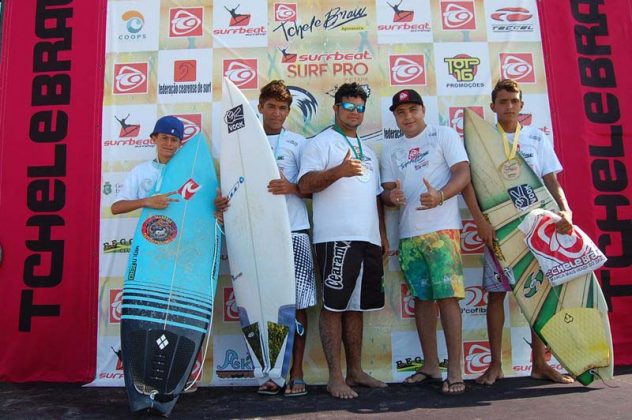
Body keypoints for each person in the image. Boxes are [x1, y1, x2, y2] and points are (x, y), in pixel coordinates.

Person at [461, 79, 574, 385]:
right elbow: (468, 182)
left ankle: (540, 363)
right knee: (496, 295)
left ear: (522, 105)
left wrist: (565, 210)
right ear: (493, 107)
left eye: (514, 101)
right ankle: (495, 365)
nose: (509, 106)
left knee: (541, 296)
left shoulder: (536, 138)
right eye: (503, 101)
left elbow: (551, 180)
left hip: (537, 227)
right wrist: (481, 222)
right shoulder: (481, 140)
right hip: (498, 228)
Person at [214, 80, 317, 397]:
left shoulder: (299, 144)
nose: (277, 112)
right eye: (271, 106)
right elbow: (235, 189)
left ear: (288, 112)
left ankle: (295, 371)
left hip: (293, 231)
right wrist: (222, 203)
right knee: (258, 303)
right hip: (254, 236)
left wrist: (293, 188)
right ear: (259, 108)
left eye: (283, 108)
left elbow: (312, 188)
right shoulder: (239, 145)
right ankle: (268, 369)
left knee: (296, 305)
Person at [297, 82, 388, 399]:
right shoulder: (321, 143)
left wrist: (383, 235)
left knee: (356, 307)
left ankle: (356, 371)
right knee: (334, 306)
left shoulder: (370, 150)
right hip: (335, 238)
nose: (354, 112)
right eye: (348, 106)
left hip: (368, 239)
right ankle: (335, 377)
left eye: (360, 108)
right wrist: (338, 171)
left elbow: (376, 197)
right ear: (335, 109)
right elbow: (305, 184)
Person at [380, 89, 470, 395]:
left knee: (448, 298)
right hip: (409, 235)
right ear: (395, 116)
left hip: (442, 230)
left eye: (413, 110)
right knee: (422, 299)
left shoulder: (443, 135)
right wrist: (390, 197)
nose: (407, 117)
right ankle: (431, 365)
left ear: (423, 111)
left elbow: (463, 173)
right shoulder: (391, 150)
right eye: (401, 113)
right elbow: (387, 193)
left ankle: (455, 370)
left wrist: (441, 195)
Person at [111, 115, 183, 215]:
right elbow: (116, 208)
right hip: (149, 229)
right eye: (164, 138)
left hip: (182, 229)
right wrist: (146, 201)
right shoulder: (140, 171)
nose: (169, 143)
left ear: (180, 144)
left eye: (174, 140)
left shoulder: (187, 170)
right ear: (154, 139)